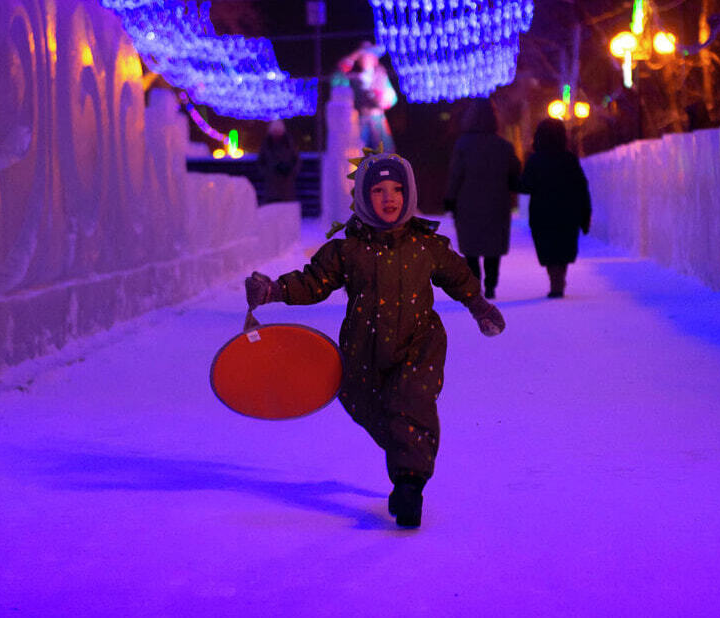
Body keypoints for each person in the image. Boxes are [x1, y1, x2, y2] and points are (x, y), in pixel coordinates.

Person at [244, 152, 505, 528]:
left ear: (409, 193)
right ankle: (405, 455)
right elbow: (313, 281)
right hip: (364, 349)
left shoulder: (425, 246)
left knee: (411, 402)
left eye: (397, 189)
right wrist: (273, 290)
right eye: (379, 190)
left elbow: (458, 275)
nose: (389, 197)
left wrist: (479, 306)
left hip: (419, 344)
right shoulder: (348, 250)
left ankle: (409, 485)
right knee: (373, 409)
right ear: (364, 197)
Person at [444, 98, 521, 299]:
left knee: (472, 249)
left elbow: (456, 175)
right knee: (492, 249)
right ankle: (491, 285)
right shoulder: (503, 146)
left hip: (468, 204)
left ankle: (475, 284)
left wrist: (450, 198)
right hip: (497, 203)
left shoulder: (463, 145)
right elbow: (514, 173)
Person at [519, 118, 592, 298]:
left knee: (548, 248)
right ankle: (559, 280)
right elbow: (581, 187)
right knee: (563, 247)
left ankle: (555, 280)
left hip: (542, 211)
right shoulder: (569, 159)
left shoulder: (535, 160)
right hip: (568, 212)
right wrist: (584, 215)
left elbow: (525, 186)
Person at [337, 42, 397, 152]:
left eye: (369, 57)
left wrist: (383, 100)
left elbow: (392, 98)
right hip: (360, 119)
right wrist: (354, 56)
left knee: (384, 151)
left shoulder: (381, 76)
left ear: (375, 59)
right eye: (363, 57)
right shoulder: (355, 78)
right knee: (359, 151)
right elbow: (339, 73)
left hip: (378, 119)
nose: (366, 60)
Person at [257, 119, 301, 204]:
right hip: (272, 187)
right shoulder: (266, 145)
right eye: (275, 132)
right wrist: (268, 172)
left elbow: (296, 161)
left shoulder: (289, 144)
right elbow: (261, 162)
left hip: (287, 187)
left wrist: (291, 171)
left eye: (278, 132)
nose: (277, 135)